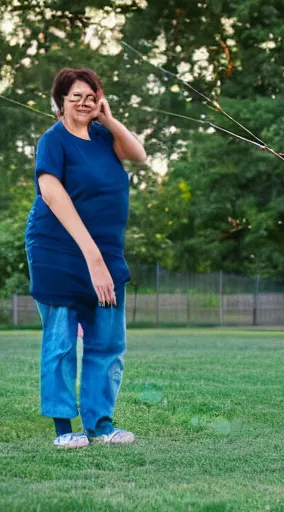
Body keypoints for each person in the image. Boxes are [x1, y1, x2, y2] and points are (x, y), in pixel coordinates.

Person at [25, 68, 146, 448]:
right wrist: (92, 259)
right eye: (75, 96)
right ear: (59, 102)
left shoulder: (102, 136)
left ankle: (101, 425)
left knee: (107, 341)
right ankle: (65, 429)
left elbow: (139, 155)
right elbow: (52, 194)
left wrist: (108, 119)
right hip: (58, 249)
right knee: (61, 340)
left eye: (91, 96)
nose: (84, 102)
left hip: (106, 252)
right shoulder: (53, 141)